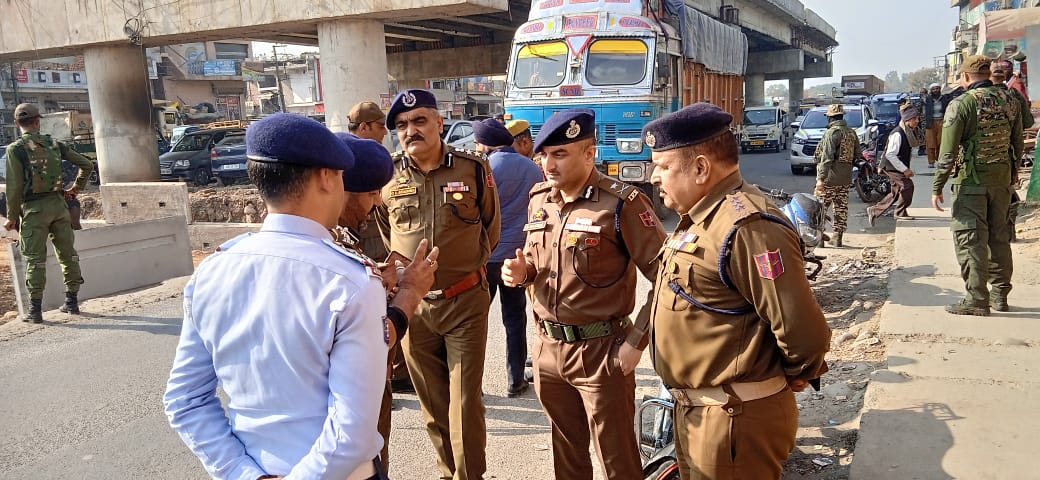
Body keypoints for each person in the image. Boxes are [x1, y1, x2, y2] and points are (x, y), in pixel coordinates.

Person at [163, 113, 401, 479]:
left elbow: (186, 401)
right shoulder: (350, 282)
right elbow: (351, 431)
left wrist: (243, 473)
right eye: (341, 176)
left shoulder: (212, 271)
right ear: (326, 177)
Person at [643, 102, 831, 479]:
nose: (653, 177)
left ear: (700, 168)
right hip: (702, 413)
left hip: (733, 419)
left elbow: (803, 334)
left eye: (663, 166)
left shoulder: (747, 227)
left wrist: (787, 375)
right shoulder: (701, 219)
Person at [500, 108, 666, 479]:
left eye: (560, 154)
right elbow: (536, 257)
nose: (548, 164)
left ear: (589, 154)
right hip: (548, 351)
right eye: (543, 155)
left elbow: (668, 276)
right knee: (567, 460)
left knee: (617, 461)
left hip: (602, 352)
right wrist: (523, 270)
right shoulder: (540, 198)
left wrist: (636, 342)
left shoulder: (621, 202)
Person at [374, 88, 501, 480]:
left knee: (463, 405)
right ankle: (450, 474)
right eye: (401, 126)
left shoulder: (473, 168)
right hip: (413, 308)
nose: (410, 130)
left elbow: (490, 230)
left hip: (465, 301)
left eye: (419, 121)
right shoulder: (388, 176)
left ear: (439, 122)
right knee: (433, 405)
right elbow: (388, 234)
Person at [332, 132, 440, 473]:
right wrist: (409, 292)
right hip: (349, 436)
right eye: (371, 193)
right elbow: (376, 340)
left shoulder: (337, 243)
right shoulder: (330, 257)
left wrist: (379, 278)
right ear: (335, 188)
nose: (377, 203)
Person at [932, 55, 1023, 316]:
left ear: (965, 77)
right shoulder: (1011, 100)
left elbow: (947, 153)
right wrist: (1014, 173)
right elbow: (1017, 141)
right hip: (1002, 181)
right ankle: (1000, 295)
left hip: (971, 182)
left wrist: (937, 185)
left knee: (970, 239)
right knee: (1000, 237)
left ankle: (976, 299)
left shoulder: (961, 104)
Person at [4, 103, 94, 323]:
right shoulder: (55, 144)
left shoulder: (15, 149)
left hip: (34, 211)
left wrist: (12, 217)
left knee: (35, 260)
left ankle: (35, 311)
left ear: (17, 124)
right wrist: (75, 188)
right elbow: (87, 164)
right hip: (59, 206)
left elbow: (14, 188)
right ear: (38, 121)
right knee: (67, 254)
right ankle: (72, 302)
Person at [473, 119, 543, 397]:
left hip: (487, 257)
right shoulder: (532, 168)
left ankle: (471, 382)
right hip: (517, 258)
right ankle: (516, 379)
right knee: (515, 318)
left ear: (486, 143)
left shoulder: (484, 168)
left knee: (474, 321)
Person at [347, 100, 413, 394]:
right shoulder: (349, 163)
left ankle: (390, 375)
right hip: (361, 254)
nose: (385, 132)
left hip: (375, 256)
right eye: (379, 126)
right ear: (363, 127)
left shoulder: (376, 160)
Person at [813, 103, 861, 247]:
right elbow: (858, 155)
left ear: (830, 118)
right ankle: (837, 238)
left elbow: (826, 158)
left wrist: (820, 179)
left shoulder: (832, 133)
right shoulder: (851, 132)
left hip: (830, 177)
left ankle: (819, 238)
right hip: (845, 178)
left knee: (820, 207)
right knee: (841, 207)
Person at [867, 106, 920, 225]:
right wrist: (905, 169)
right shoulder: (898, 134)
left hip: (895, 166)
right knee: (908, 186)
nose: (917, 121)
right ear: (908, 120)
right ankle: (900, 212)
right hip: (892, 167)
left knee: (896, 192)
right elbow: (890, 154)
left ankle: (874, 211)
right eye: (914, 118)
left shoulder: (906, 131)